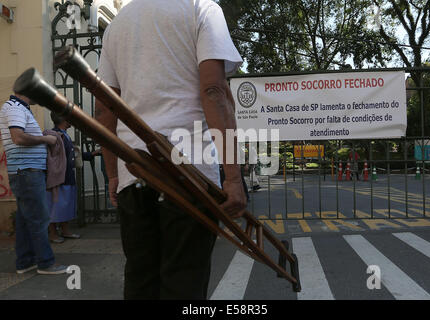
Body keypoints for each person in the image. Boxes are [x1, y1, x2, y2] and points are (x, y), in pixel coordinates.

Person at [96, 0, 246, 299]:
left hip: (133, 172)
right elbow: (214, 91)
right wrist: (232, 178)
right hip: (191, 173)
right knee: (184, 283)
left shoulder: (117, 25)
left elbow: (104, 110)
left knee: (140, 280)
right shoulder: (201, 9)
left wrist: (113, 175)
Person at [0, 93, 68, 274]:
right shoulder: (15, 108)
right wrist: (46, 139)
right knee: (40, 218)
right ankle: (46, 263)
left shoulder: (18, 108)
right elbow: (18, 138)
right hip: (27, 171)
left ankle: (25, 261)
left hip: (25, 171)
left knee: (24, 220)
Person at [46, 112, 101, 243]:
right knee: (54, 206)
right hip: (57, 177)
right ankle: (53, 234)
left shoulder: (64, 134)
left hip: (67, 176)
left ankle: (65, 231)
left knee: (66, 205)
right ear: (63, 119)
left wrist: (92, 154)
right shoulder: (54, 135)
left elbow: (73, 155)